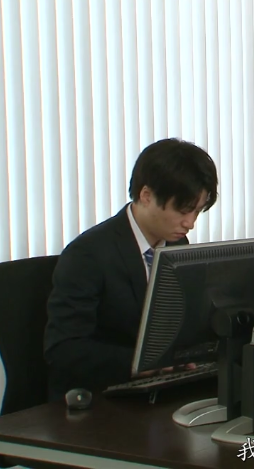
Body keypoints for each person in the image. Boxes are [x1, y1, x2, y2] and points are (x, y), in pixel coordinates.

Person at [43, 138, 219, 401]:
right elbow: (64, 350)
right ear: (146, 195)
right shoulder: (88, 255)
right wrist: (144, 363)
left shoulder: (176, 245)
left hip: (159, 391)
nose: (190, 223)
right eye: (183, 210)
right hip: (101, 398)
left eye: (197, 211)